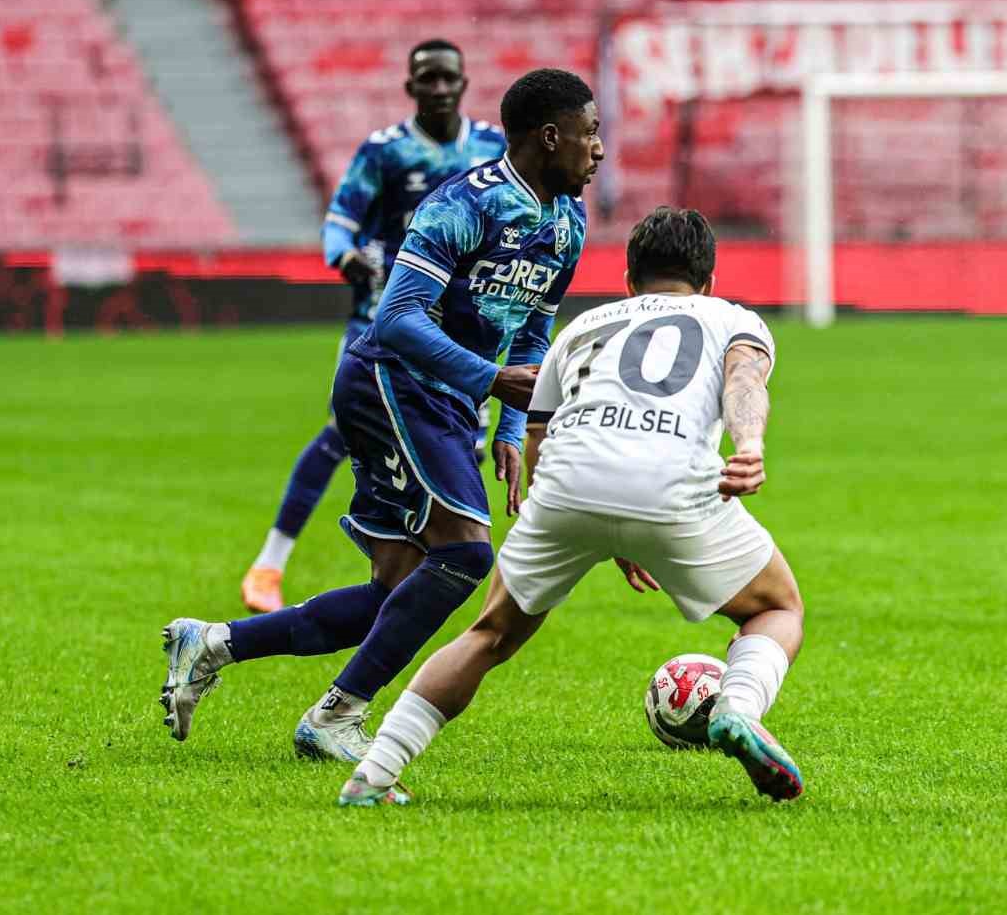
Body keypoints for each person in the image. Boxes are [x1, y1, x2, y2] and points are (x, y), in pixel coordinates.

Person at [159, 69, 603, 763]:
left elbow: (533, 329)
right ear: (551, 137)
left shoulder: (569, 222)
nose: (598, 148)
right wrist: (491, 380)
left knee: (396, 591)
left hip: (447, 400)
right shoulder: (463, 205)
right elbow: (395, 319)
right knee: (466, 554)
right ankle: (337, 715)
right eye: (590, 132)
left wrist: (513, 427)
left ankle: (213, 643)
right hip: (389, 381)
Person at [336, 207, 806, 807]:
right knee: (776, 608)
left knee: (489, 634)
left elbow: (539, 435)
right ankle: (736, 707)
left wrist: (591, 527)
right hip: (672, 487)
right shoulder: (732, 319)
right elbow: (744, 380)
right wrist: (750, 446)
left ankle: (373, 775)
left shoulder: (582, 328)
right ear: (709, 281)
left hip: (565, 488)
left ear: (629, 281)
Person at [239, 40, 507, 614]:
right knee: (342, 431)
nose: (439, 89)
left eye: (448, 78)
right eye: (428, 79)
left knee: (464, 448)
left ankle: (419, 573)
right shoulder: (386, 152)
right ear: (410, 87)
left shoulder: (491, 149)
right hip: (385, 320)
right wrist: (345, 256)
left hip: (461, 332)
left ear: (464, 84)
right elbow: (340, 221)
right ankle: (269, 564)